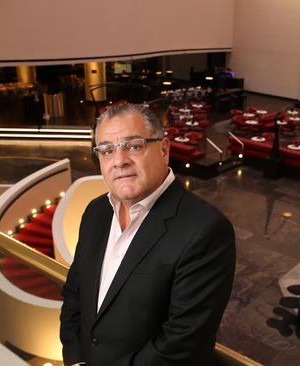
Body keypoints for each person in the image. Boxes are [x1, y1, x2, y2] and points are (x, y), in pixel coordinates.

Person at [60, 103, 236, 366]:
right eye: (107, 150)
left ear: (164, 150)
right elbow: (75, 295)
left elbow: (181, 345)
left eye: (133, 146)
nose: (119, 161)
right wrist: (75, 360)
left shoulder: (206, 230)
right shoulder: (95, 212)